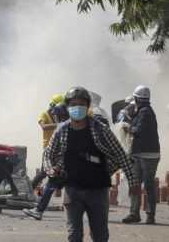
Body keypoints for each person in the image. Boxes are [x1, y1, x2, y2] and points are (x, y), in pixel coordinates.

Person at [44, 86, 140, 242]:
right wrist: (51, 170)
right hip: (72, 190)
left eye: (81, 104)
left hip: (97, 190)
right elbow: (48, 154)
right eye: (73, 104)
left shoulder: (100, 129)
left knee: (100, 235)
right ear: (67, 107)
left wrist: (133, 182)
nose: (77, 108)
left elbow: (120, 154)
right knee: (74, 235)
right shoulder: (61, 130)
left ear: (87, 106)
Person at [24, 94, 69, 220]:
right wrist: (59, 124)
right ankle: (33, 194)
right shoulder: (46, 115)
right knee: (45, 175)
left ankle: (37, 201)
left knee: (49, 177)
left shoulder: (65, 124)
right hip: (49, 149)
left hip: (59, 154)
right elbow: (43, 127)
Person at [122, 85, 161, 224]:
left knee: (148, 186)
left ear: (138, 99)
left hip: (148, 156)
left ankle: (149, 215)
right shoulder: (142, 112)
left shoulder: (145, 112)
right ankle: (134, 214)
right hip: (139, 154)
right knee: (135, 184)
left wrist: (128, 127)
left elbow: (138, 130)